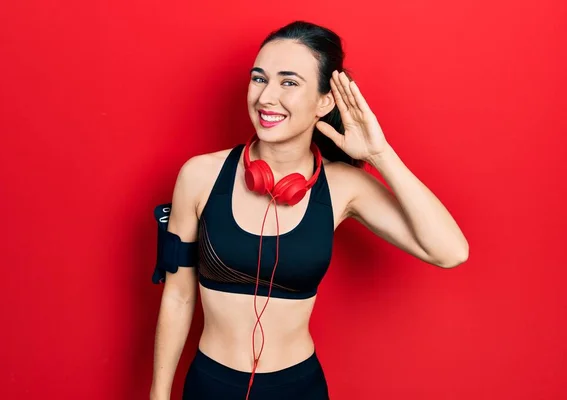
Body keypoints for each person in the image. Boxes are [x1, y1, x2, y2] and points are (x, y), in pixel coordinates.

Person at [149, 20, 469, 400]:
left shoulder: (344, 188)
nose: (266, 97)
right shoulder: (199, 175)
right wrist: (159, 393)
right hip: (210, 384)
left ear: (324, 101)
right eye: (259, 78)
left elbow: (450, 252)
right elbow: (179, 296)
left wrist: (380, 155)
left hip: (297, 387)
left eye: (289, 82)